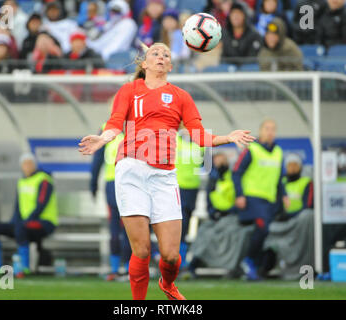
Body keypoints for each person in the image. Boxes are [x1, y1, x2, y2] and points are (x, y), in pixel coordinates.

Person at [78, 42, 255, 300]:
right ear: (145, 63)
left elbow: (198, 136)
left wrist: (228, 137)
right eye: (155, 53)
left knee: (171, 255)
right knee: (141, 250)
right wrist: (102, 139)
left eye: (166, 54)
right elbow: (116, 123)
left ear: (170, 65)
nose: (161, 56)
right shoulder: (129, 90)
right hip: (131, 170)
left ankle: (168, 284)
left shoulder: (182, 97)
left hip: (164, 176)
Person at [232, 118, 288, 280]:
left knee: (264, 232)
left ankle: (253, 266)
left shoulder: (278, 152)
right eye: (267, 128)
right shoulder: (252, 149)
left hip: (269, 200)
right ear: (261, 131)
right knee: (262, 228)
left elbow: (279, 178)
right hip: (252, 198)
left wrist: (283, 194)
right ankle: (248, 261)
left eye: (273, 129)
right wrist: (239, 195)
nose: (270, 132)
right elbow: (237, 172)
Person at [0, 153, 58, 277]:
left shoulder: (44, 179)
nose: (27, 166)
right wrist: (14, 222)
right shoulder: (21, 181)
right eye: (24, 164)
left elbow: (41, 204)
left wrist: (24, 222)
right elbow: (18, 207)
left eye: (30, 163)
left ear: (34, 165)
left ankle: (24, 268)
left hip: (44, 223)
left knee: (21, 228)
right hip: (25, 224)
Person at [90, 121, 131, 281]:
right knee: (127, 227)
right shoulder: (138, 124)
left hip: (114, 184)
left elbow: (97, 159)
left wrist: (93, 184)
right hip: (126, 184)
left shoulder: (106, 127)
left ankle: (117, 269)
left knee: (118, 228)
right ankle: (126, 268)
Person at [175, 126, 205, 269]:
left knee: (185, 227)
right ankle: (175, 261)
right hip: (175, 188)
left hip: (192, 190)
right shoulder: (173, 140)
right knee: (177, 226)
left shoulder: (200, 144)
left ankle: (181, 261)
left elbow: (206, 164)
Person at [221, 1, 262, 66]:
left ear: (245, 16)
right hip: (227, 73)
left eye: (239, 13)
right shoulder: (223, 35)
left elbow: (252, 60)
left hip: (247, 73)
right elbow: (221, 59)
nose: (236, 16)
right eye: (233, 13)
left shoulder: (255, 36)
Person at [278, 153, 313, 220]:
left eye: (295, 165)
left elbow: (308, 206)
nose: (292, 168)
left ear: (300, 167)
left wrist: (292, 215)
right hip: (282, 219)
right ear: (286, 167)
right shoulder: (281, 182)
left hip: (300, 219)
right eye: (290, 165)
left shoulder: (306, 182)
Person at [207, 152, 235, 221]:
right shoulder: (213, 180)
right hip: (215, 212)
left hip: (229, 213)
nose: (218, 165)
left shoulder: (232, 178)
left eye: (221, 162)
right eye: (216, 163)